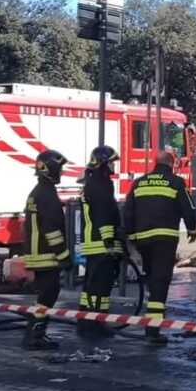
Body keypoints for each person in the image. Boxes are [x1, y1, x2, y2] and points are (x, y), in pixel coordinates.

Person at [123, 149, 196, 344]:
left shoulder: (139, 182)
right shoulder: (176, 182)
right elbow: (188, 207)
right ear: (172, 164)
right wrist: (192, 229)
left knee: (150, 278)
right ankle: (153, 329)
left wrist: (130, 237)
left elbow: (128, 211)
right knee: (160, 282)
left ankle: (151, 318)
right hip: (165, 240)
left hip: (143, 241)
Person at [22, 150, 71, 350]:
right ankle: (35, 336)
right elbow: (52, 230)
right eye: (58, 168)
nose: (60, 172)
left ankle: (35, 334)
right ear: (49, 169)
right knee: (49, 294)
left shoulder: (38, 191)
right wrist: (64, 255)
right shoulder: (47, 194)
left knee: (45, 294)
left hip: (36, 252)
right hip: (46, 254)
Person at [78, 145, 124, 338]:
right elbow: (104, 213)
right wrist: (109, 241)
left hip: (93, 243)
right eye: (112, 162)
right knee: (100, 286)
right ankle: (96, 323)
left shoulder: (91, 182)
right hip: (101, 243)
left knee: (90, 286)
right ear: (104, 163)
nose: (114, 165)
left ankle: (85, 321)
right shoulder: (102, 184)